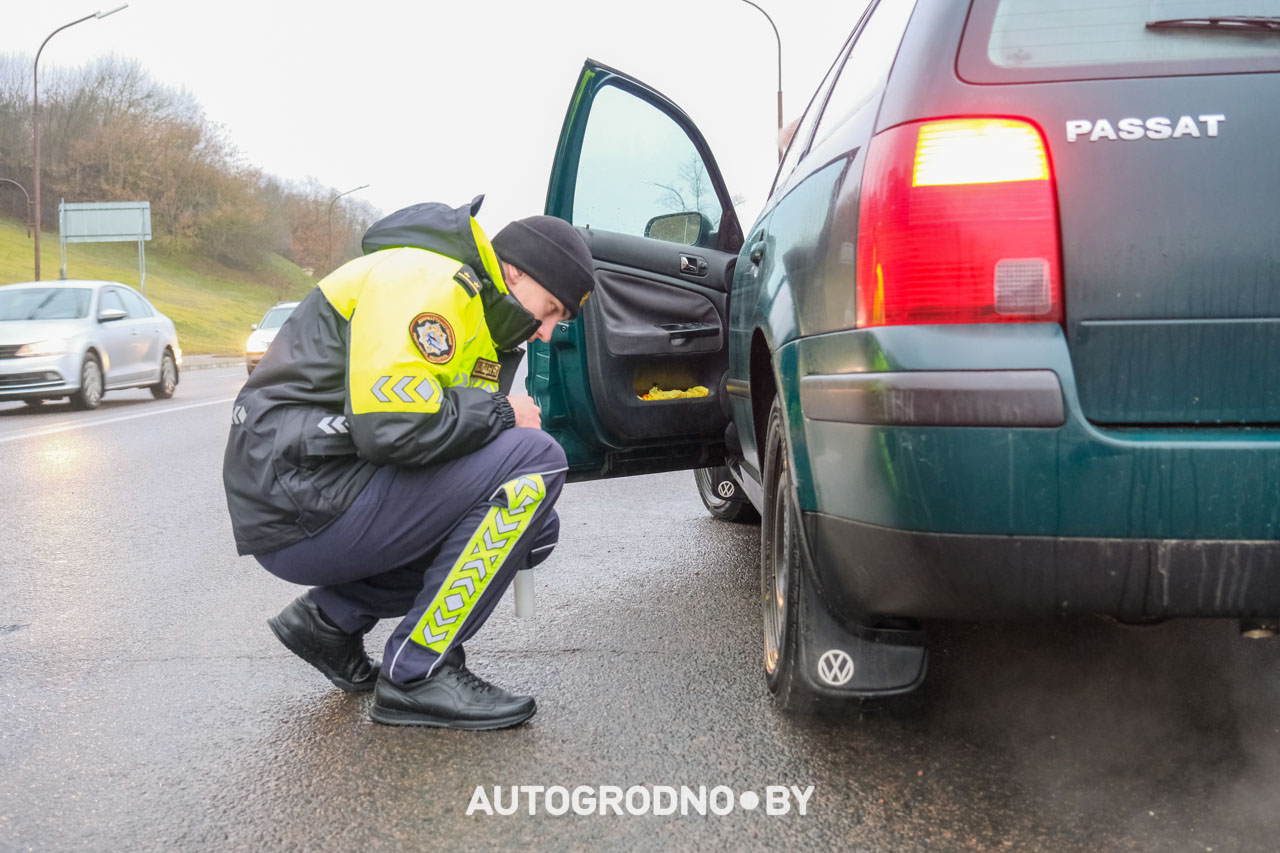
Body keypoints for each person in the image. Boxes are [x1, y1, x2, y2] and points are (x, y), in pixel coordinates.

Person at [222, 196, 595, 730]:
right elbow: (391, 427)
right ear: (517, 271)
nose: (547, 331)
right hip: (300, 494)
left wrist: (495, 425)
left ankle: (329, 621)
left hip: (319, 485)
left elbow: (440, 440)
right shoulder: (428, 280)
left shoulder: (476, 312)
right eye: (552, 309)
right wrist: (501, 412)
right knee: (538, 460)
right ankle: (418, 673)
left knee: (534, 526)